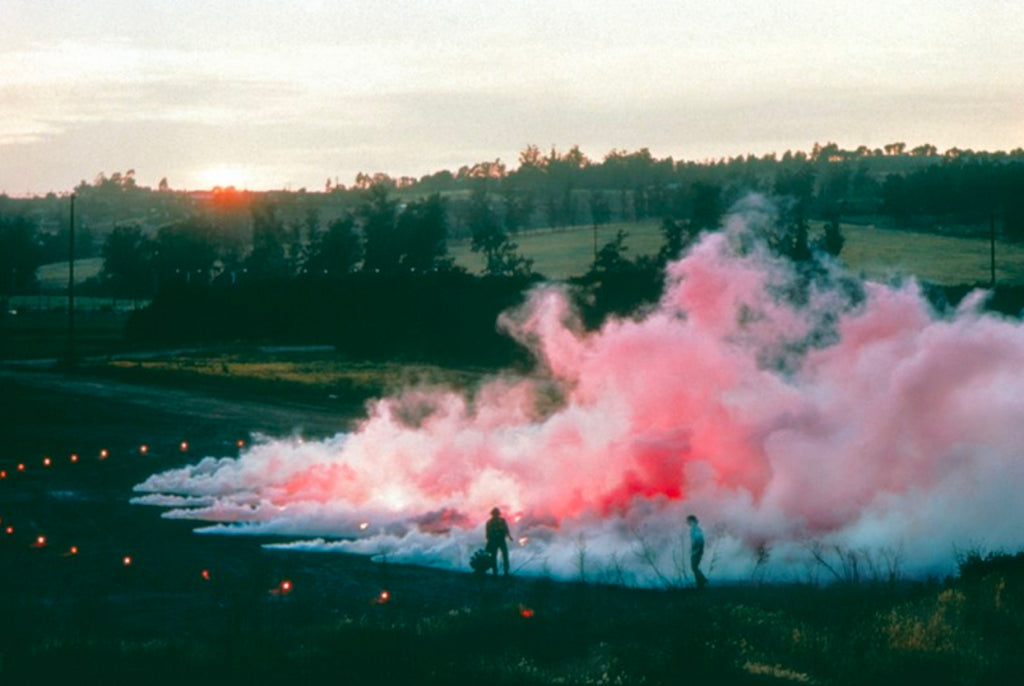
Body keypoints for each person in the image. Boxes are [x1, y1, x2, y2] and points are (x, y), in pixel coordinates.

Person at [485, 507, 513, 576]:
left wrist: (509, 536)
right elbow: (488, 533)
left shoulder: (502, 521)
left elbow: (506, 529)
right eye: (495, 514)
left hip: (501, 540)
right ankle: (495, 572)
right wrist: (489, 542)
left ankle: (506, 571)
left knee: (505, 555)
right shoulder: (489, 522)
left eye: (496, 514)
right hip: (494, 541)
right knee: (494, 557)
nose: (496, 515)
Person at [686, 514, 708, 589]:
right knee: (694, 567)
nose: (687, 523)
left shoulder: (695, 529)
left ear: (692, 521)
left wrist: (696, 550)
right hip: (696, 549)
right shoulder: (694, 529)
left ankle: (702, 581)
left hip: (697, 550)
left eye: (688, 521)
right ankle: (700, 582)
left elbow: (699, 541)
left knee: (694, 567)